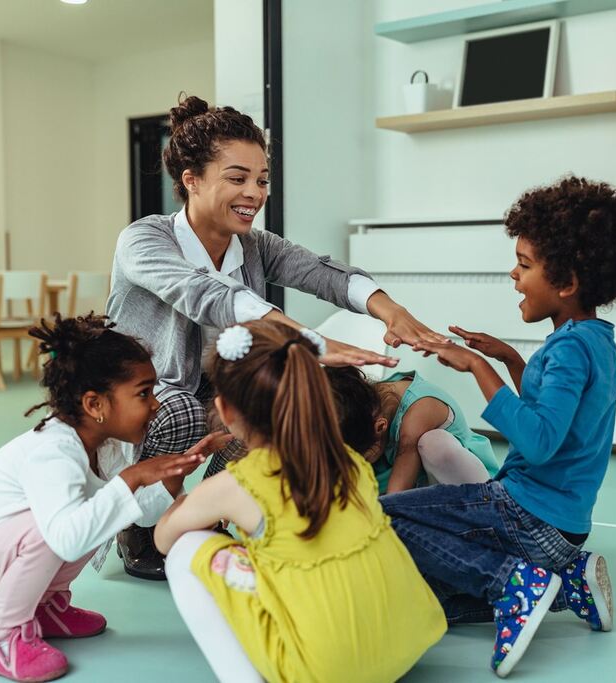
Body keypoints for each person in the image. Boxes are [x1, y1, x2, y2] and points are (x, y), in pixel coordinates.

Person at [107, 94, 444, 579]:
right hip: (150, 397)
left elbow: (321, 272)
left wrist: (391, 310)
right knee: (180, 410)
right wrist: (307, 340)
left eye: (262, 180)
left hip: (214, 393)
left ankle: (221, 511)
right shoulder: (143, 239)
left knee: (273, 402)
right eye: (237, 178)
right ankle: (139, 531)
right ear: (192, 180)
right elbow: (204, 294)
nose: (255, 193)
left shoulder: (254, 245)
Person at [380, 177, 616, 677]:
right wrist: (509, 357)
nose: (513, 275)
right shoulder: (592, 340)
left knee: (384, 517)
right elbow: (559, 416)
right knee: (433, 604)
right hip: (563, 528)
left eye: (525, 265)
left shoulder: (570, 348)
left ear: (568, 283)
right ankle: (567, 583)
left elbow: (538, 439)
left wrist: (477, 368)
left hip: (524, 513)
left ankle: (514, 583)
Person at [0, 314, 225, 683]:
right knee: (62, 526)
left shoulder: (104, 446)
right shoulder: (54, 451)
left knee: (94, 514)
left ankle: (46, 609)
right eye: (144, 393)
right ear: (95, 405)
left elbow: (128, 518)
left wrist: (175, 476)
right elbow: (65, 538)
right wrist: (130, 479)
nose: (156, 404)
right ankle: (0, 636)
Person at [154, 321, 447, 682]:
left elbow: (163, 539)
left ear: (226, 411)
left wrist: (177, 485)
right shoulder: (347, 458)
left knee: (187, 549)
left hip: (328, 670)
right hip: (406, 641)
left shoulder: (239, 482)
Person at [325, 366, 499, 492]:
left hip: (473, 490)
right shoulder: (360, 404)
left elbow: (396, 496)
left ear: (380, 427)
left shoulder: (420, 410)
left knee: (434, 443)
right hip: (423, 500)